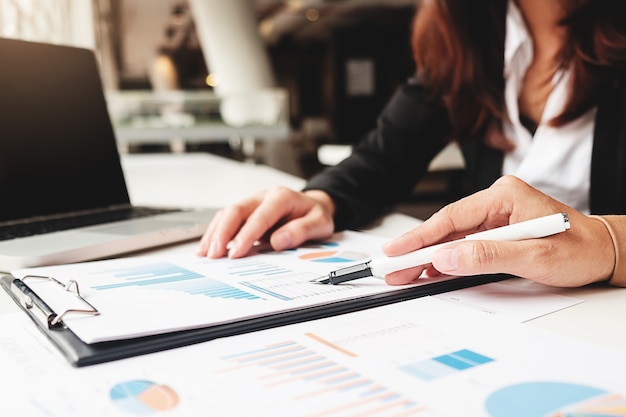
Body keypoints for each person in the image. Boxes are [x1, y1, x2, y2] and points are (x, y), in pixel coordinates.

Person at [197, 0, 626, 287]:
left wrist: (608, 242)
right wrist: (322, 198)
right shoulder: (468, 32)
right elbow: (384, 158)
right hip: (508, 307)